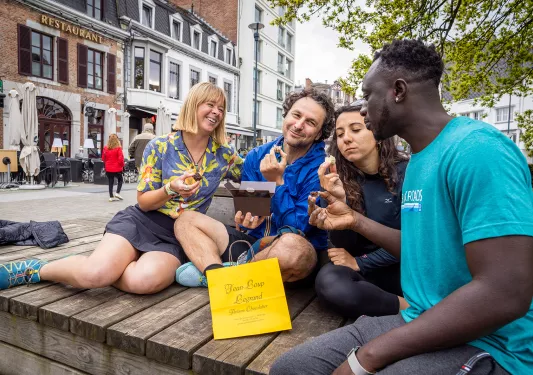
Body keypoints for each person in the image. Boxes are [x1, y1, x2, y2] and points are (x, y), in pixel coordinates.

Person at [271, 39, 533, 375]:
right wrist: (353, 220)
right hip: (420, 317)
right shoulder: (422, 160)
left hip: (494, 344)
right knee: (291, 368)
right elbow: (419, 247)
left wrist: (368, 357)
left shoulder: (478, 150)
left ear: (398, 90)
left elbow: (506, 293)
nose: (363, 109)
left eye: (368, 95)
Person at [0, 82, 242, 294]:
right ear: (193, 105)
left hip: (177, 236)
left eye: (221, 108)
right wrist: (171, 189)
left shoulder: (224, 155)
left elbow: (255, 170)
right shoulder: (160, 147)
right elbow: (144, 201)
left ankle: (88, 266)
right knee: (95, 275)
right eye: (210, 105)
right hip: (142, 220)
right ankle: (36, 269)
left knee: (143, 282)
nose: (216, 112)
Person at [174, 89, 336, 287]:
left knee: (292, 247)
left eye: (310, 122)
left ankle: (225, 277)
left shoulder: (322, 168)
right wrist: (247, 217)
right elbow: (252, 212)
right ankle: (220, 276)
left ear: (319, 133)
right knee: (186, 220)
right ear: (286, 114)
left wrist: (278, 182)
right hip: (252, 247)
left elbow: (295, 229)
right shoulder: (257, 155)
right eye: (296, 115)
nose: (299, 125)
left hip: (289, 257)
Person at [313, 102, 410, 319]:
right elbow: (342, 245)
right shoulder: (339, 179)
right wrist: (337, 202)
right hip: (363, 276)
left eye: (356, 130)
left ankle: (411, 309)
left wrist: (361, 261)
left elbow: (414, 243)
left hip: (403, 269)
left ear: (377, 134)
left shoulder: (408, 174)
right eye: (339, 134)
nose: (346, 138)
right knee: (329, 283)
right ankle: (406, 308)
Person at [102, 133, 125, 202]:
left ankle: (111, 196)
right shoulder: (118, 148)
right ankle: (117, 193)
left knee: (110, 181)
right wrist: (122, 165)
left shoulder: (105, 148)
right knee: (120, 180)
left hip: (108, 168)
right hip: (117, 168)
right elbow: (121, 159)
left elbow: (103, 158)